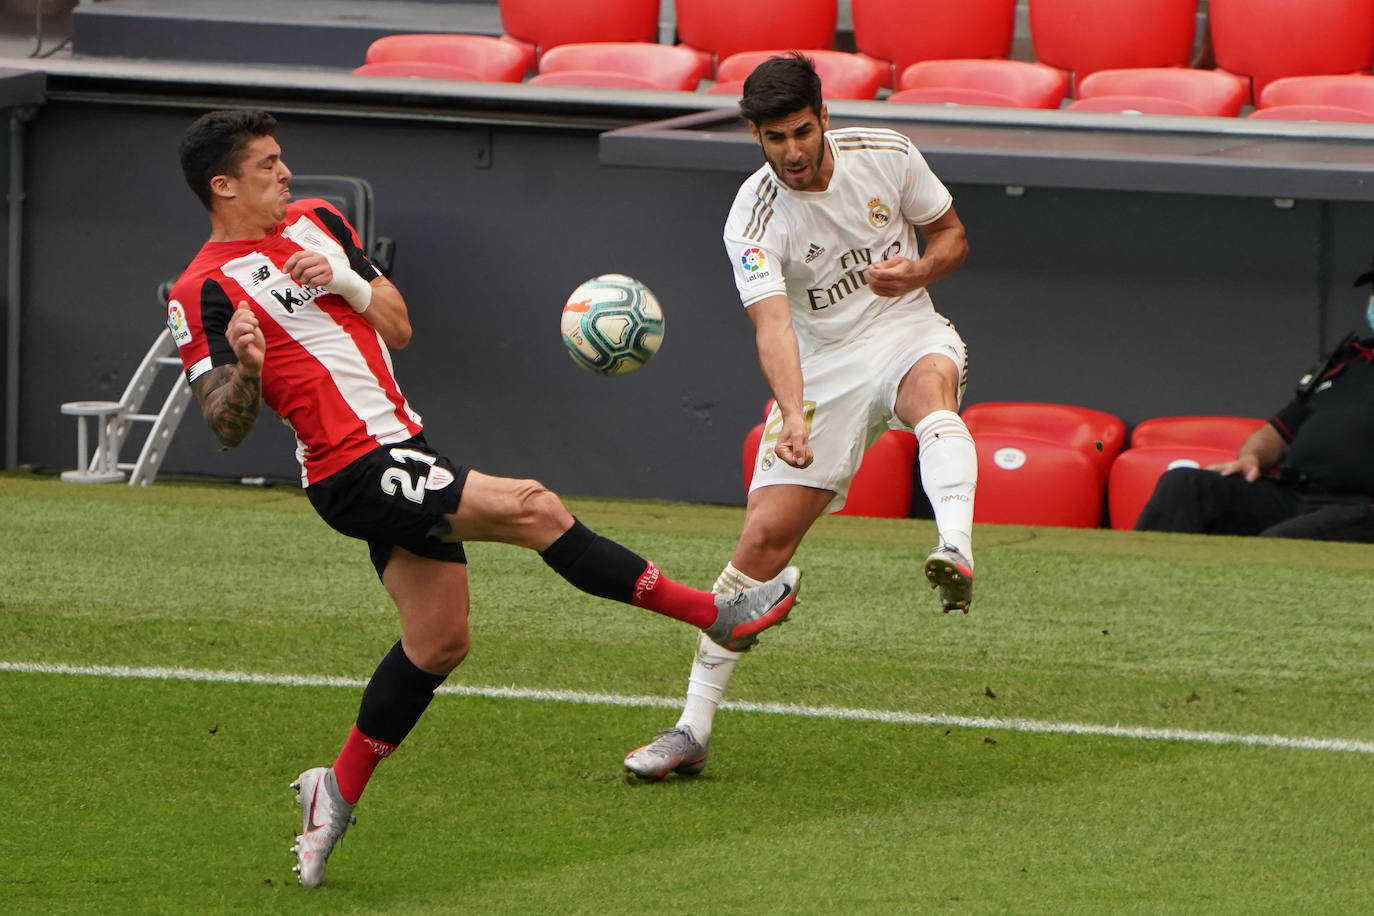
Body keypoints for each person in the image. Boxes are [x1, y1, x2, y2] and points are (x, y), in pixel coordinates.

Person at [169, 109, 802, 888]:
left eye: (282, 159)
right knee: (534, 506)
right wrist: (252, 370)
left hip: (402, 445)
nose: (286, 174)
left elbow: (397, 326)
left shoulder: (318, 222)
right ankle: (718, 615)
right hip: (350, 465)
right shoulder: (201, 288)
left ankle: (332, 790)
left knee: (439, 642)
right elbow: (223, 424)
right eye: (267, 166)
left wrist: (342, 278)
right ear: (223, 185)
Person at [623, 53, 978, 781]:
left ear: (826, 118)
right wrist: (791, 414)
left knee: (933, 396)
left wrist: (916, 271)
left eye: (802, 131)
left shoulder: (888, 155)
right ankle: (691, 728)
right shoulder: (753, 216)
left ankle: (956, 549)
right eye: (774, 137)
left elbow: (952, 238)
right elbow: (773, 326)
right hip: (824, 370)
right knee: (762, 539)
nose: (791, 151)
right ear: (755, 135)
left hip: (907, 325)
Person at [1134, 259, 1374, 542]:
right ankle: (1137, 582)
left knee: (1278, 542)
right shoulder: (1348, 360)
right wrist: (1252, 457)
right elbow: (1276, 432)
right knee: (1184, 485)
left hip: (1360, 509)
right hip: (1293, 495)